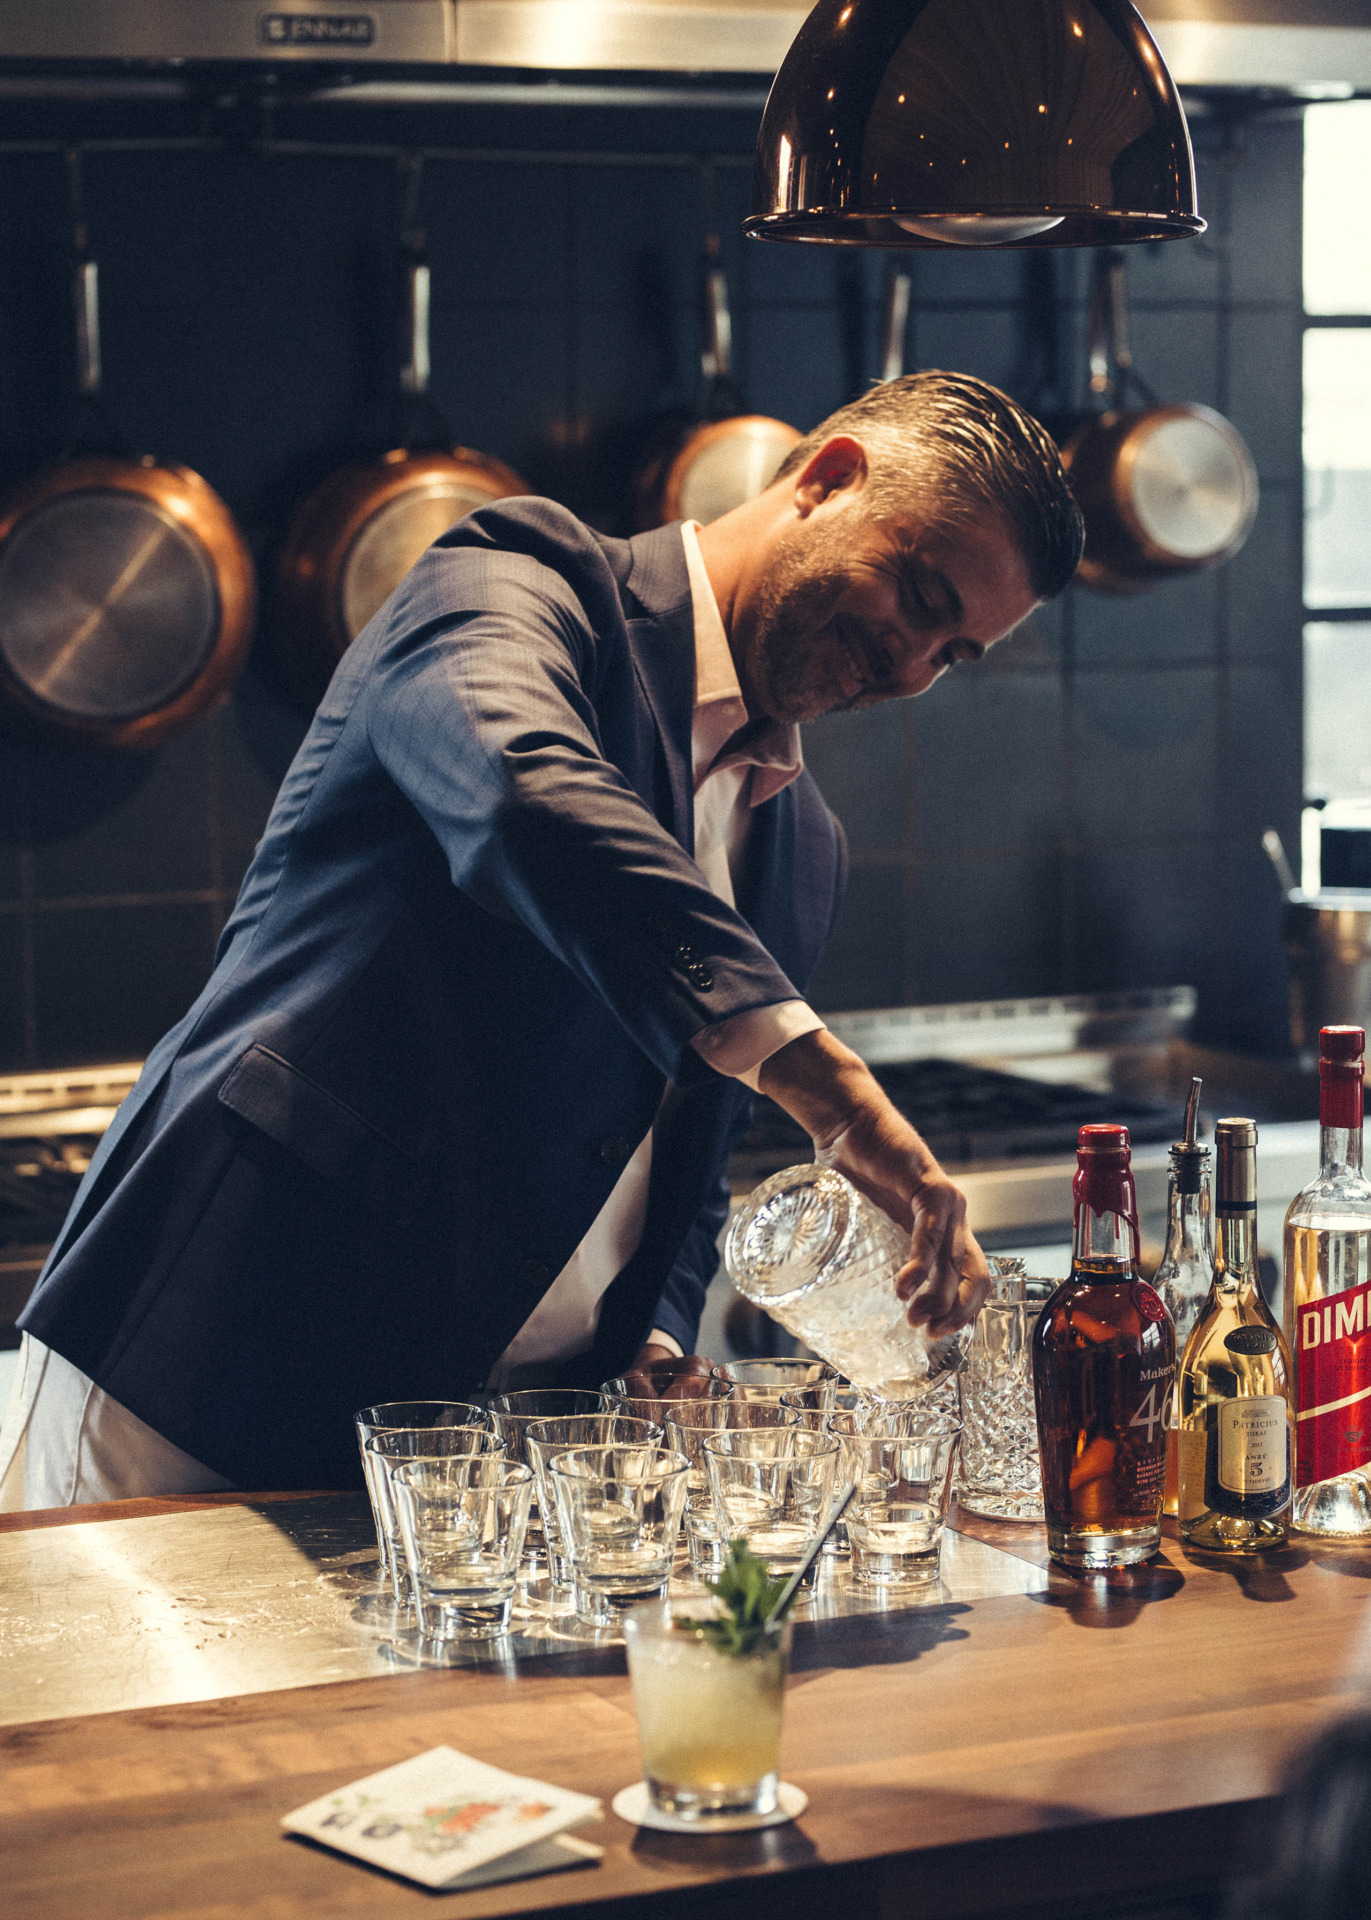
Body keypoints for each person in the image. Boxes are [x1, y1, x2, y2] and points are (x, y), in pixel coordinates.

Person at [0, 370, 1083, 1503]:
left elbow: (680, 1169)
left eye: (953, 654)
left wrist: (653, 1343)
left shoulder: (802, 849)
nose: (910, 666)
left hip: (456, 1452)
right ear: (827, 478)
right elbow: (523, 797)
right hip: (206, 1353)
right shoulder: (516, 583)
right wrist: (835, 1090)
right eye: (917, 595)